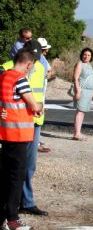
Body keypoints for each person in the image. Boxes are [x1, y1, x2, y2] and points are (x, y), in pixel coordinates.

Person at [1, 41, 48, 217]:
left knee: (11, 172)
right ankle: (12, 216)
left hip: (10, 129)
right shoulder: (16, 76)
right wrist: (38, 106)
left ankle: (18, 206)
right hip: (19, 132)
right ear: (28, 62)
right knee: (17, 174)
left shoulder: (6, 75)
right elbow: (33, 103)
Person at [72, 47, 93, 140]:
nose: (86, 56)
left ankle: (78, 132)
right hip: (82, 90)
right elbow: (76, 78)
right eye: (85, 54)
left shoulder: (89, 65)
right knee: (80, 111)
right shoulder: (79, 64)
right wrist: (78, 91)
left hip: (88, 91)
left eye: (89, 55)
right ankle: (77, 133)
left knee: (82, 112)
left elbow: (91, 79)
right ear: (82, 55)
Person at [36, 37, 52, 153]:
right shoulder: (40, 60)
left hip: (41, 91)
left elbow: (49, 71)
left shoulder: (42, 59)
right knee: (37, 118)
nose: (46, 51)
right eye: (44, 49)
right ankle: (35, 143)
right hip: (38, 93)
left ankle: (35, 140)